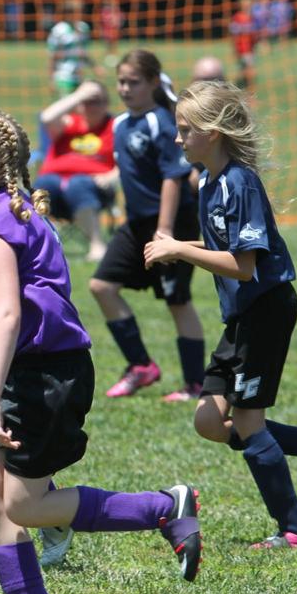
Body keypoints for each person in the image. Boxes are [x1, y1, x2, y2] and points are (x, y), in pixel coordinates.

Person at [0, 107, 202, 594]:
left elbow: (9, 314)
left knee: (24, 505)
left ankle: (162, 507)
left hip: (45, 376)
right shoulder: (13, 212)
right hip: (35, 369)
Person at [146, 80, 297, 548]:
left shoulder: (241, 183)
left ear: (214, 133)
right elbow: (224, 248)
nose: (178, 139)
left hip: (266, 310)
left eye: (186, 130)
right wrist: (179, 250)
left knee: (246, 422)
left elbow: (244, 266)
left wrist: (180, 247)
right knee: (208, 420)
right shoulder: (209, 181)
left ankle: (296, 529)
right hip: (244, 315)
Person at [90, 50, 205, 401]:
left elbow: (175, 176)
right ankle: (141, 366)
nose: (125, 89)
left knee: (177, 301)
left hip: (171, 225)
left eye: (133, 82)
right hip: (137, 224)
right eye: (121, 82)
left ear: (154, 82)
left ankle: (195, 384)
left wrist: (165, 230)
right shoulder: (120, 124)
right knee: (101, 286)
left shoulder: (161, 122)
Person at [33, 80, 117, 262]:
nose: (90, 106)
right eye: (86, 101)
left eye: (96, 100)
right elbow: (46, 118)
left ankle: (97, 245)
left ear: (106, 103)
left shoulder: (114, 126)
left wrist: (110, 177)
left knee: (77, 184)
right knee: (43, 184)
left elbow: (124, 163)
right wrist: (80, 94)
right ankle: (38, 247)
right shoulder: (69, 123)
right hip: (55, 189)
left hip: (93, 187)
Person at [46, 0, 94, 96]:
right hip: (63, 75)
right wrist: (51, 80)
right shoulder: (58, 30)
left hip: (78, 75)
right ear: (67, 13)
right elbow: (53, 57)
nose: (79, 15)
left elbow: (83, 52)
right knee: (67, 105)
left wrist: (95, 67)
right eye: (76, 12)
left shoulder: (83, 28)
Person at [230, 0, 257, 90]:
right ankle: (250, 96)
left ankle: (232, 87)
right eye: (245, 2)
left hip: (251, 49)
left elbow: (254, 35)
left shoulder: (252, 17)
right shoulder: (237, 17)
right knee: (250, 72)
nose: (247, 4)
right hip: (243, 49)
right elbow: (234, 35)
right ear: (240, 4)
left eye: (249, 2)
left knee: (244, 72)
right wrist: (235, 49)